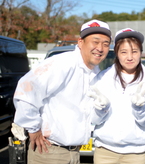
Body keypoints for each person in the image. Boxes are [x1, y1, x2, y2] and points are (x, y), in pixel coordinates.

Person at [13, 19, 112, 164]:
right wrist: (33, 128)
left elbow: (91, 116)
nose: (100, 48)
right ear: (80, 42)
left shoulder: (94, 73)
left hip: (74, 153)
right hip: (50, 152)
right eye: (95, 42)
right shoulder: (62, 64)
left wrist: (103, 108)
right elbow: (25, 87)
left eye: (105, 44)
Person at [88, 28, 145, 164]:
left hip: (135, 154)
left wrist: (140, 108)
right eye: (124, 52)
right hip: (105, 152)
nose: (130, 57)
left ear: (141, 52)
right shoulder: (103, 78)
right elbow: (93, 119)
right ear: (117, 53)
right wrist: (100, 109)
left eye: (134, 51)